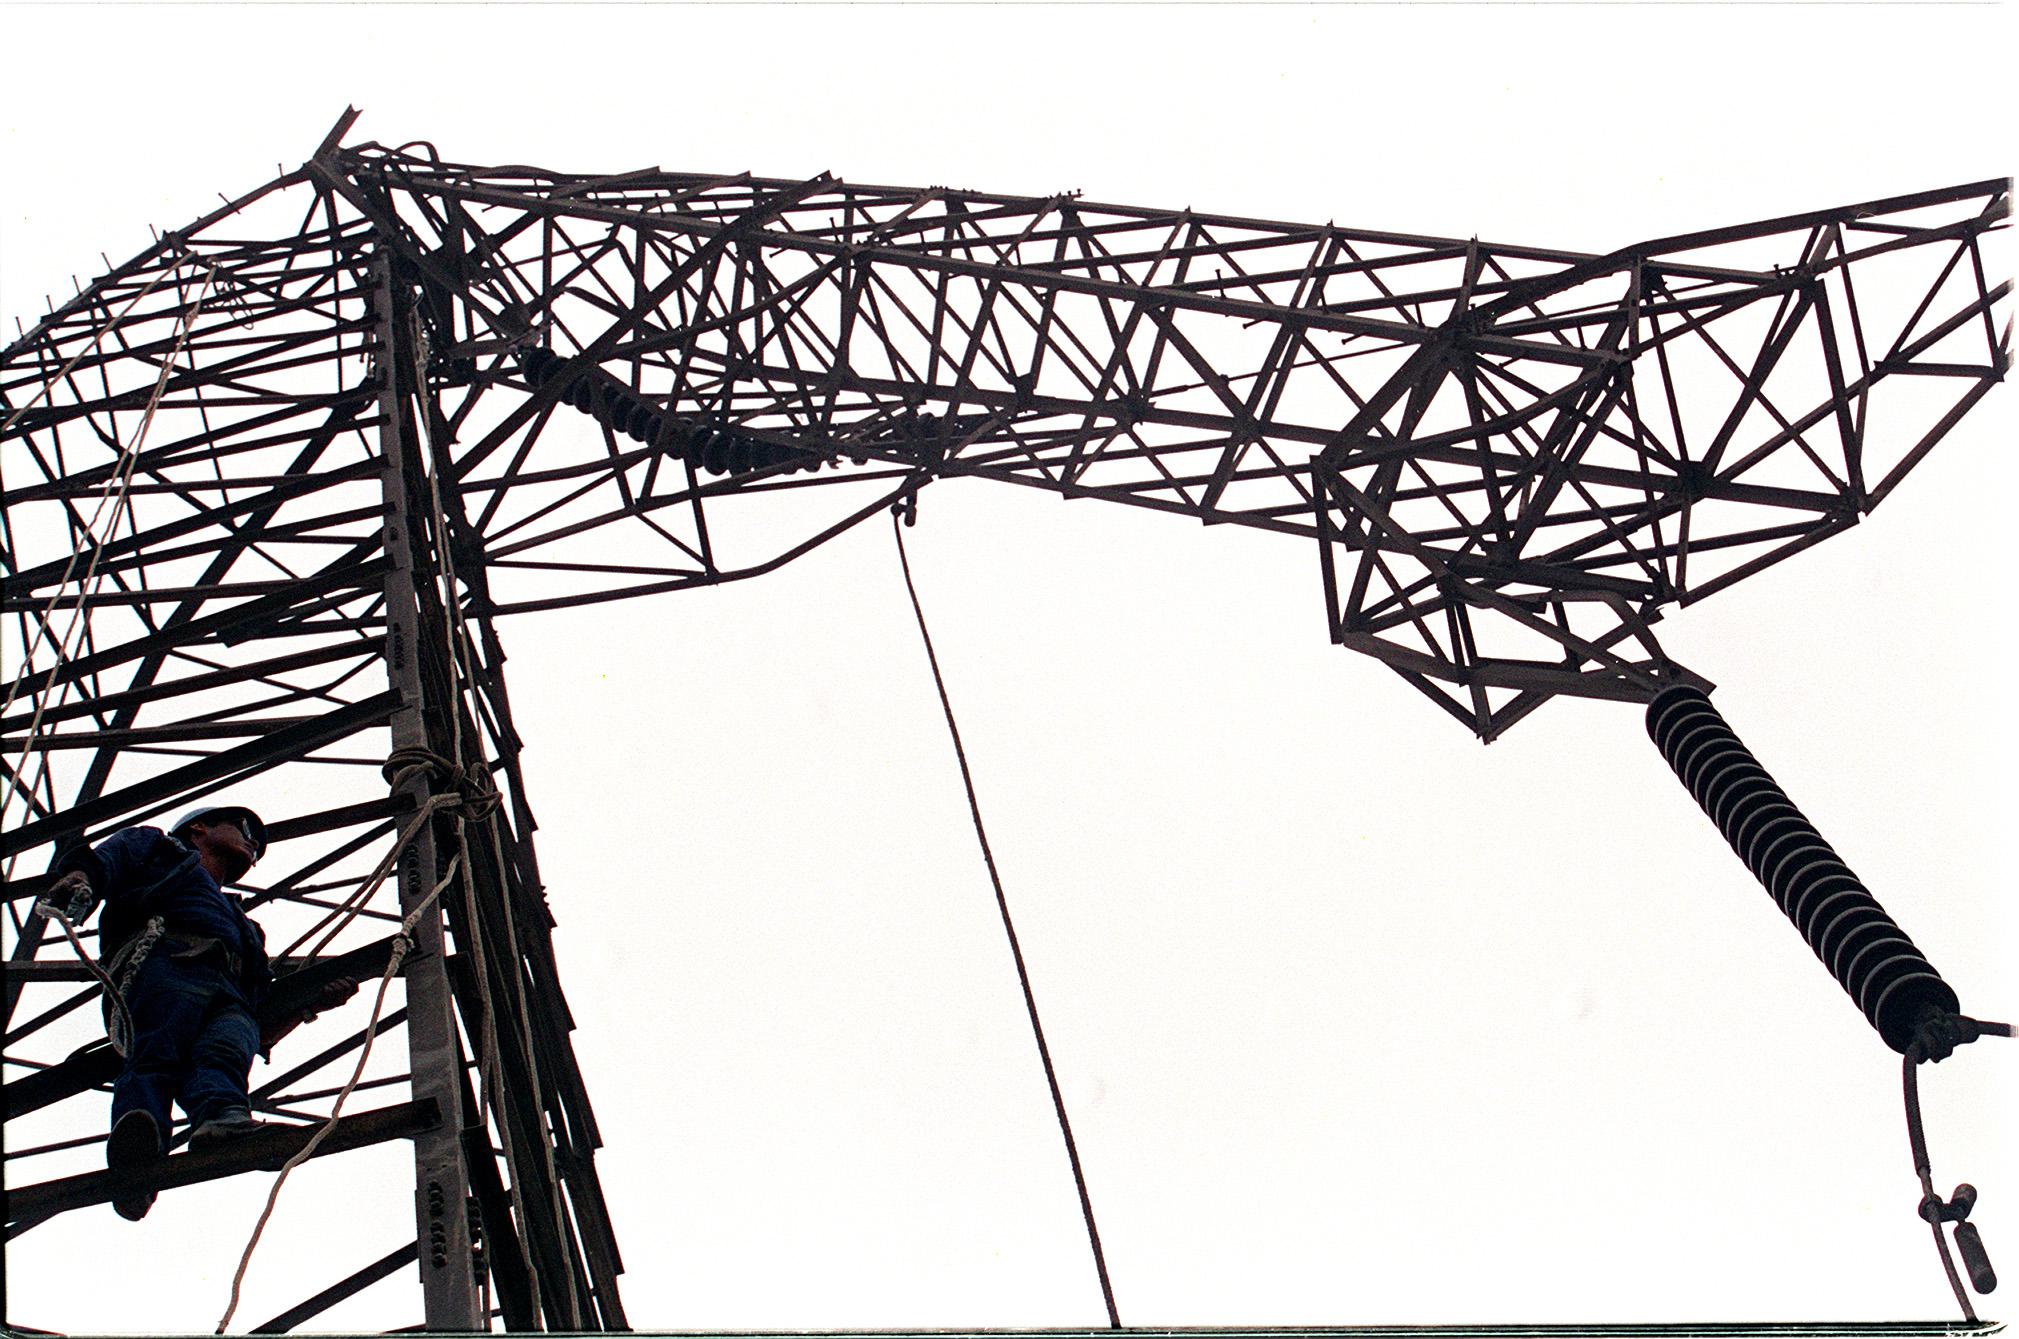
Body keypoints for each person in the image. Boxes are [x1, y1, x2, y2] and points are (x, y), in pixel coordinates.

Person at [45, 802, 359, 1221]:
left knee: (229, 1047)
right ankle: (139, 1145)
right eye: (245, 827)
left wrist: (309, 1006)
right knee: (159, 1049)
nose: (253, 842)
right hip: (166, 960)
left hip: (228, 989)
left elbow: (260, 1026)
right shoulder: (156, 850)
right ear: (198, 829)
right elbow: (105, 861)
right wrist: (79, 878)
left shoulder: (243, 925)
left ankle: (222, 1120)